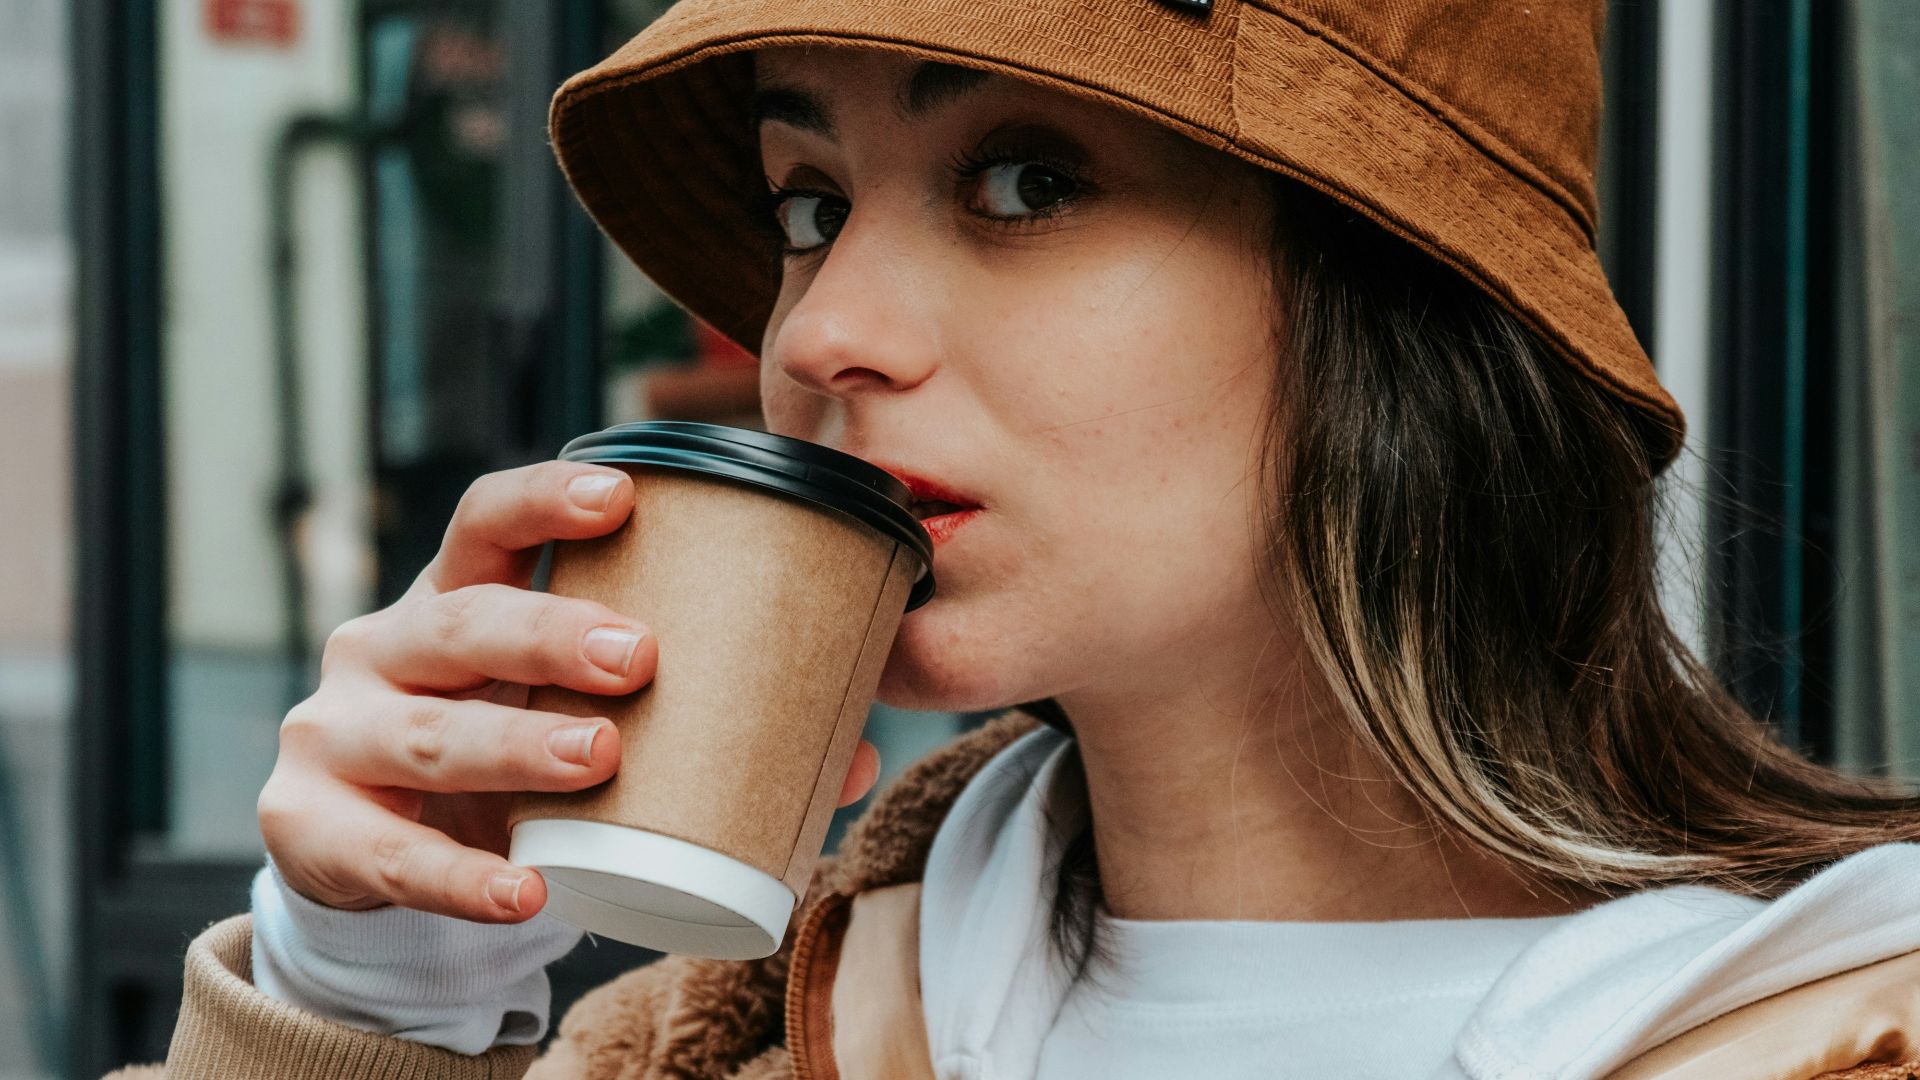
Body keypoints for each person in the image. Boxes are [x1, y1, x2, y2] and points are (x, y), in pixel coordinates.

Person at [108, 1, 1920, 1078]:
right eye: (806, 200)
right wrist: (364, 994)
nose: (815, 334)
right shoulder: (748, 1032)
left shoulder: (1840, 1022)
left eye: (1028, 180)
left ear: (1405, 306)